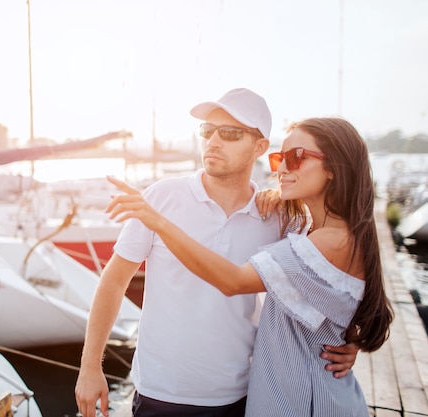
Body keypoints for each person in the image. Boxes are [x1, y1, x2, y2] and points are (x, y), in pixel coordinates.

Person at [75, 88, 358, 417]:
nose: (213, 141)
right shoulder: (161, 196)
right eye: (207, 131)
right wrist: (90, 366)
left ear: (260, 147)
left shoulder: (280, 218)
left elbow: (331, 284)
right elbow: (112, 282)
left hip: (238, 396)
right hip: (159, 393)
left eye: (230, 133)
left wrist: (349, 340)